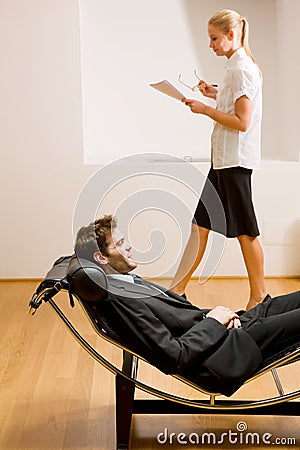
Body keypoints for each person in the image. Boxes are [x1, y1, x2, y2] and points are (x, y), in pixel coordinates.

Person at [74, 215, 300, 397]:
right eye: (121, 244)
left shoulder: (124, 282)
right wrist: (214, 322)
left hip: (227, 333)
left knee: (287, 301)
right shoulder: (123, 300)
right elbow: (173, 356)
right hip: (227, 352)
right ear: (101, 258)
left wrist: (216, 318)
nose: (130, 247)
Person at [170, 9, 265, 311]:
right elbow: (234, 103)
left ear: (231, 35)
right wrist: (214, 93)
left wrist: (204, 109)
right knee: (200, 224)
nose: (210, 44)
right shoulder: (235, 69)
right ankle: (176, 290)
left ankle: (259, 296)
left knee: (246, 231)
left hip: (234, 162)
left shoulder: (241, 69)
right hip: (223, 160)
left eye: (214, 38)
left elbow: (242, 121)